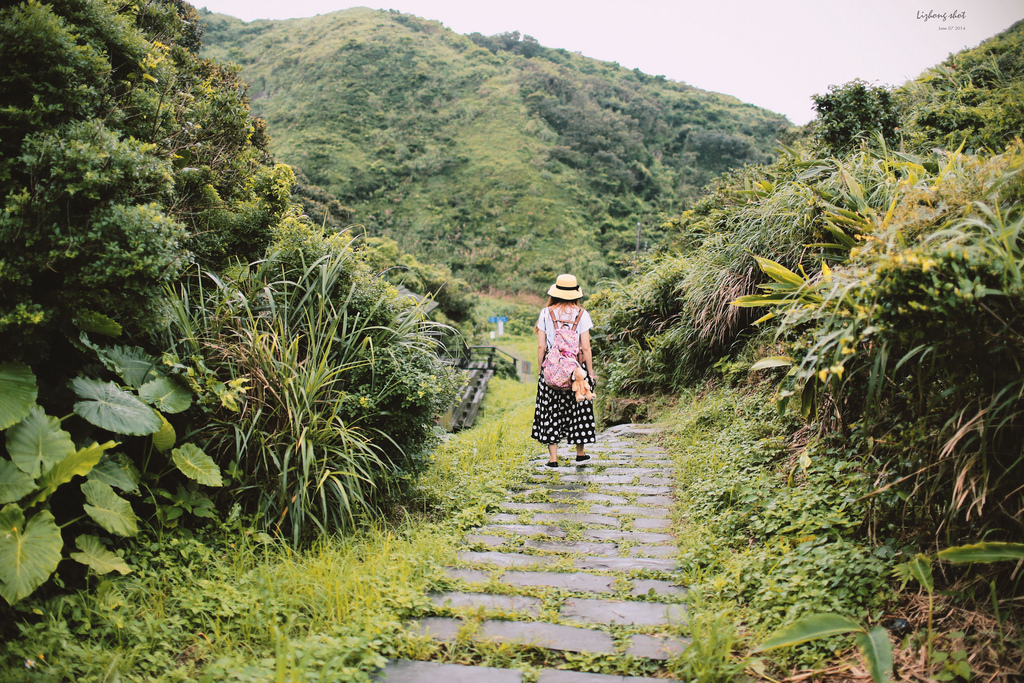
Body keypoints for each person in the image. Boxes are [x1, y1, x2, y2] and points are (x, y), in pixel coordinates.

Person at [532, 273, 597, 467]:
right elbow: (586, 347)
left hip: (551, 369)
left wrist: (541, 370)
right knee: (579, 408)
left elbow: (541, 347)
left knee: (551, 410)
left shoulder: (546, 313)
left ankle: (553, 459)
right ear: (576, 293)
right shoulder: (582, 314)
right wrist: (590, 373)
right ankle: (580, 453)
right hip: (575, 369)